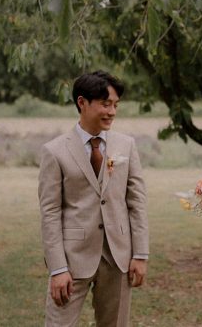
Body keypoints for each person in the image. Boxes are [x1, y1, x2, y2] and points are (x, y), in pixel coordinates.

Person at [38, 71, 149, 327]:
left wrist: (140, 254)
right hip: (71, 258)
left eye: (115, 105)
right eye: (105, 104)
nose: (112, 111)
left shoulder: (126, 145)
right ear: (82, 103)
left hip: (118, 256)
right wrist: (57, 268)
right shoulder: (54, 151)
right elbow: (50, 212)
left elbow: (137, 203)